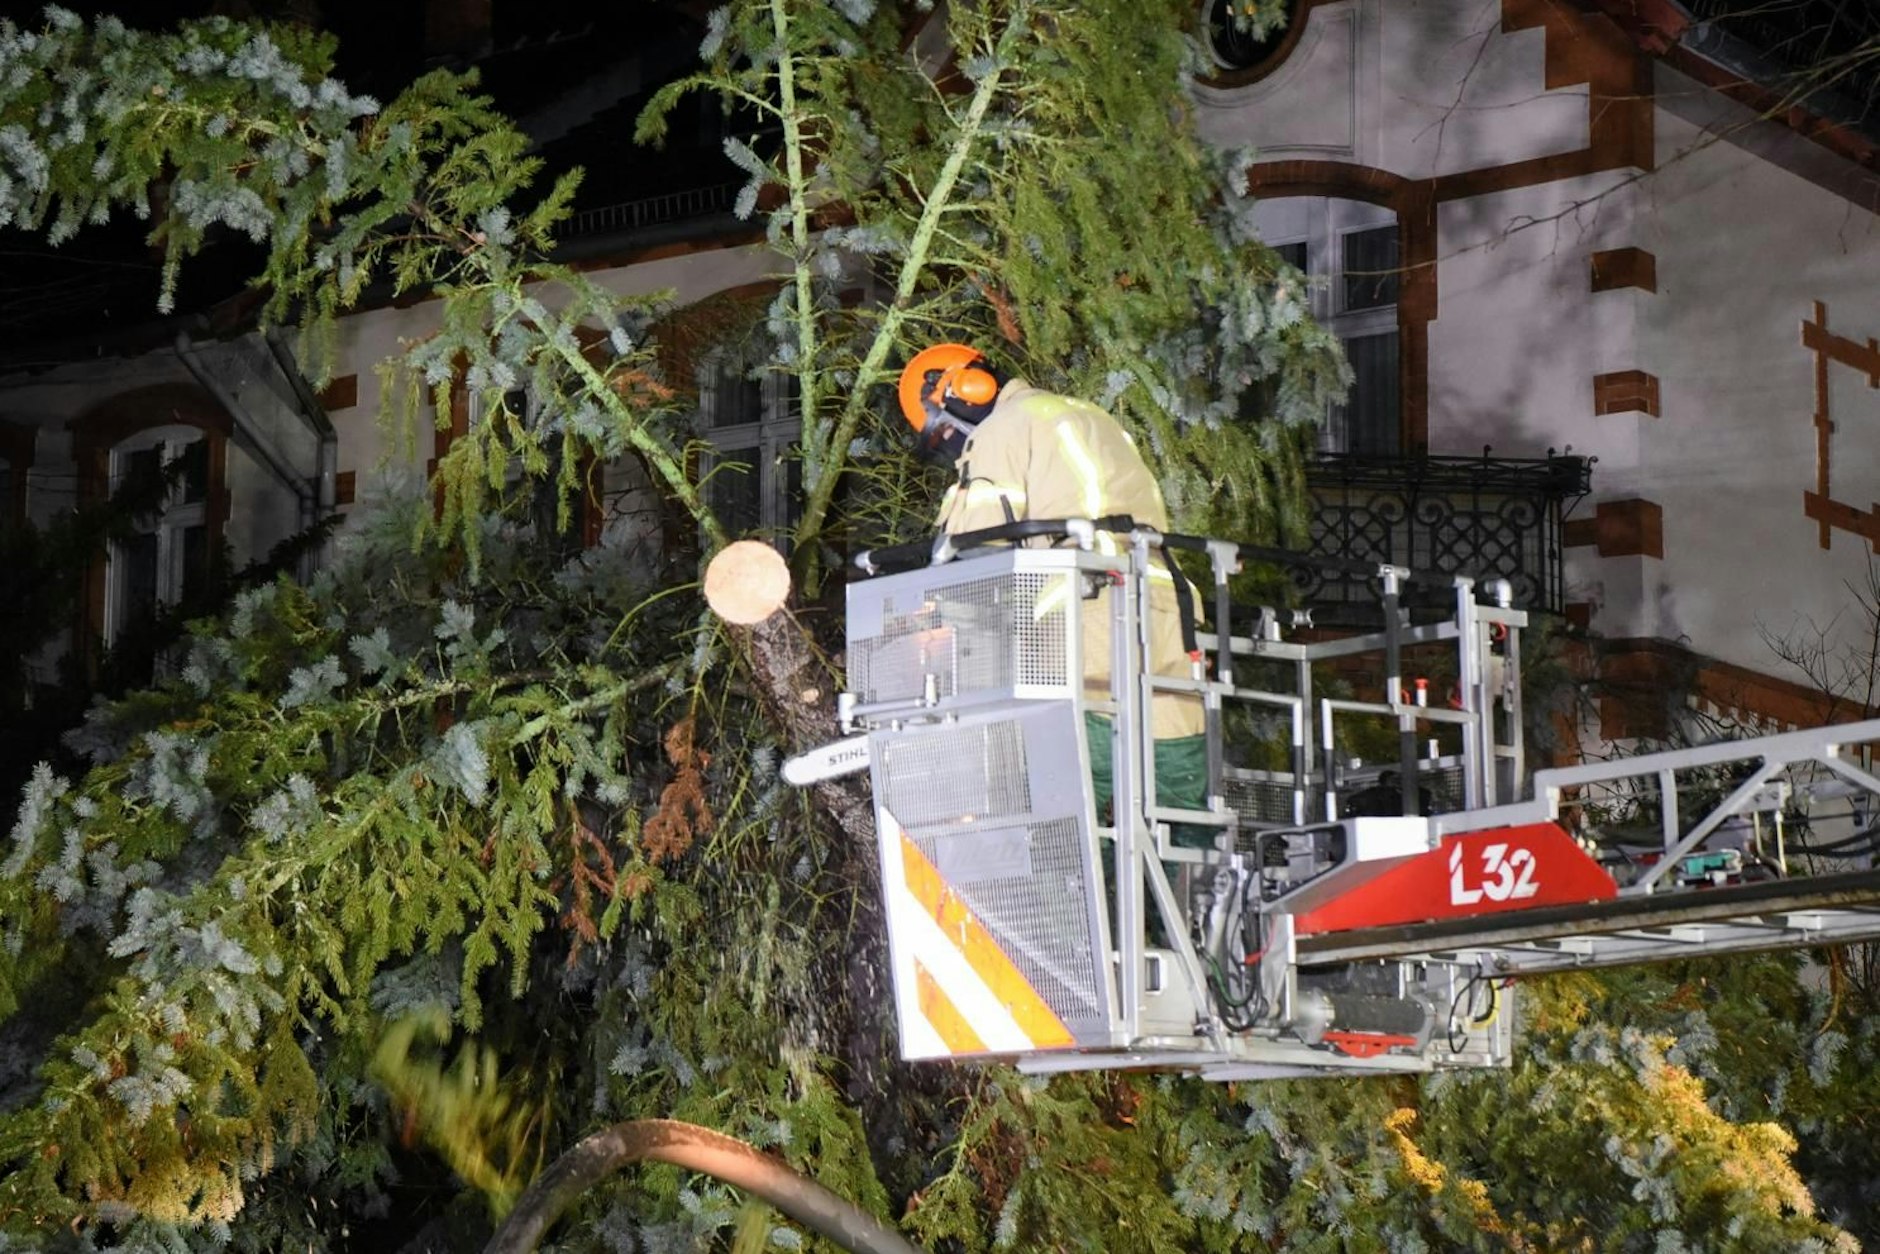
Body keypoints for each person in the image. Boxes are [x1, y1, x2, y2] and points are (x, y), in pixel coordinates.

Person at [897, 342, 1212, 847]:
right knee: (1175, 786)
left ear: (962, 392)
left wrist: (929, 612)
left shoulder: (1002, 429)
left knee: (1070, 811)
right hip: (1166, 613)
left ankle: (1095, 897)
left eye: (946, 432)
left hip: (1086, 621)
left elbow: (969, 547)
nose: (952, 445)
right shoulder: (1089, 416)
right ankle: (1195, 893)